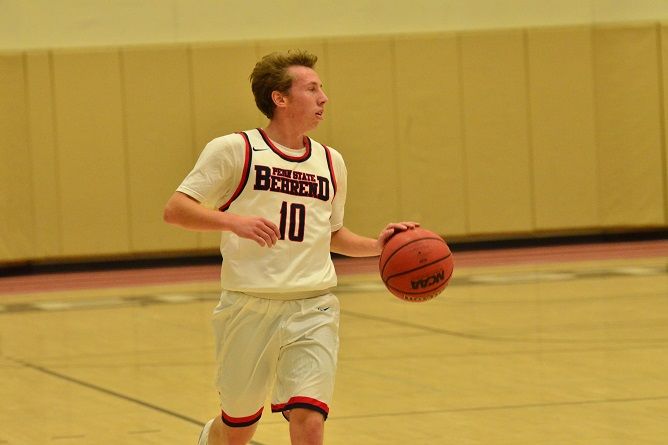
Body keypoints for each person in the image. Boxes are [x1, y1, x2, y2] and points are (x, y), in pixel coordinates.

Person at [163, 49, 417, 445]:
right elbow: (176, 210)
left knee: (309, 419)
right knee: (239, 426)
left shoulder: (331, 162)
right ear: (279, 98)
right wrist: (234, 221)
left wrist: (379, 246)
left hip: (312, 305)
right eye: (312, 88)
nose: (323, 97)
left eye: (322, 89)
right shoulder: (235, 150)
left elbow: (331, 234)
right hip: (247, 305)